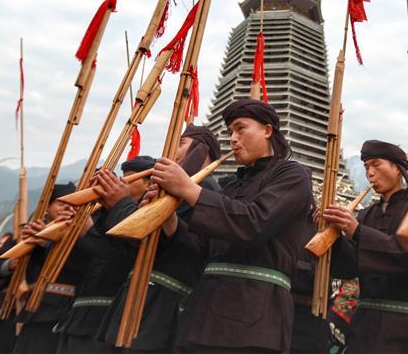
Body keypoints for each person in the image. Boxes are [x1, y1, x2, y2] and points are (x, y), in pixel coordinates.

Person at [150, 100, 313, 353]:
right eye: (230, 132)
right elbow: (199, 248)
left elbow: (253, 223)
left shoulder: (292, 174)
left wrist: (189, 189)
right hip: (201, 315)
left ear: (267, 130)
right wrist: (167, 216)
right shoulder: (231, 186)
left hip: (253, 319)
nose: (233, 139)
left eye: (240, 128)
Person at [97, 125, 222, 353]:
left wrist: (121, 203)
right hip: (141, 293)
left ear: (201, 150)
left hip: (161, 301)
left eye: (181, 144)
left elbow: (157, 238)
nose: (173, 151)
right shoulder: (174, 188)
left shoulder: (204, 187)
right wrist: (109, 207)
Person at [324, 140, 408, 353]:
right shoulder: (366, 214)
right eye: (366, 167)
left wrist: (357, 231)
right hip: (365, 327)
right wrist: (335, 236)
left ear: (397, 168)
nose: (370, 173)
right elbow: (349, 268)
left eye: (376, 164)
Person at [55, 155, 158, 354]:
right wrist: (66, 235)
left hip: (106, 319)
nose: (123, 181)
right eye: (123, 175)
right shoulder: (102, 213)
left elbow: (121, 256)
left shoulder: (148, 213)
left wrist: (87, 232)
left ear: (148, 184)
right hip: (77, 316)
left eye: (130, 177)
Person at [11, 182, 85, 354]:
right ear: (47, 206)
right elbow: (4, 266)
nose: (65, 208)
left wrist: (48, 243)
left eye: (71, 204)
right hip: (34, 306)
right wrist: (27, 247)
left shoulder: (81, 233)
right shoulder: (34, 229)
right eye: (60, 203)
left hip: (62, 309)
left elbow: (81, 264)